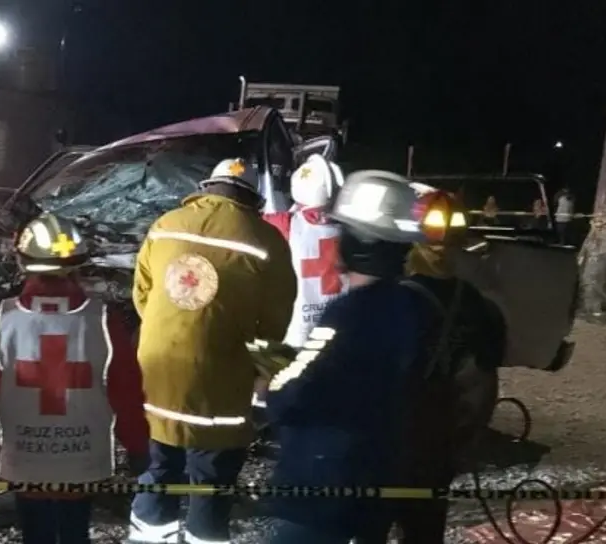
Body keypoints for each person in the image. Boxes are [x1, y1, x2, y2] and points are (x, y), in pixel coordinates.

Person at [263, 171, 444, 543]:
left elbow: (292, 393)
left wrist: (269, 375)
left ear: (359, 242)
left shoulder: (346, 315)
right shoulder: (416, 306)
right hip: (379, 474)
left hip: (325, 483)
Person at [0, 213, 151, 544]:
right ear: (78, 263)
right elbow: (126, 389)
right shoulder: (102, 320)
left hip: (26, 458)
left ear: (23, 261)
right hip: (83, 456)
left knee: (36, 533)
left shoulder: (4, 319)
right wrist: (137, 443)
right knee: (74, 532)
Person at [127, 158, 297, 544]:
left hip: (157, 374)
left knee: (157, 466)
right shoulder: (267, 241)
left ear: (208, 187)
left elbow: (142, 294)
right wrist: (263, 374)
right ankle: (204, 535)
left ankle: (150, 535)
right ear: (252, 197)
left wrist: (168, 329)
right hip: (218, 384)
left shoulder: (165, 225)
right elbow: (274, 324)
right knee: (211, 475)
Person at [358, 191, 506, 544]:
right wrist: (462, 448)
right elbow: (484, 385)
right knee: (425, 533)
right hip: (436, 453)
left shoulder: (384, 300)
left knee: (367, 531)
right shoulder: (477, 306)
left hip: (383, 451)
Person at [264, 153, 350, 349]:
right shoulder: (353, 227)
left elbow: (247, 222)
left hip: (300, 331)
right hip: (342, 324)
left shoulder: (284, 223)